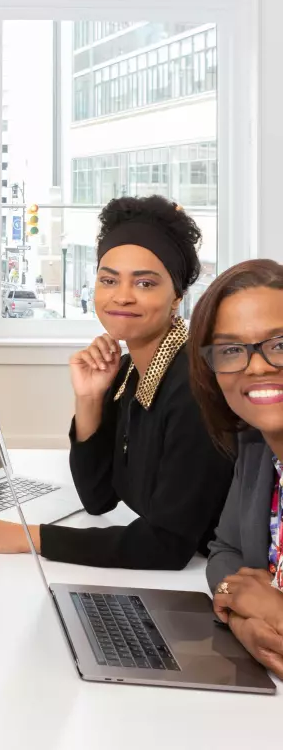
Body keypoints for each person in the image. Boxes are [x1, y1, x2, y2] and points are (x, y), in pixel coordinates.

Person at [0, 197, 232, 568]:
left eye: (145, 282)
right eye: (108, 279)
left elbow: (165, 547)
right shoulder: (128, 372)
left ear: (177, 298)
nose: (121, 295)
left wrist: (23, 536)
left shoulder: (194, 387)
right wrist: (89, 398)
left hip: (217, 580)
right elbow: (98, 497)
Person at [189, 260, 283, 677]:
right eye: (231, 350)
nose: (257, 366)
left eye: (279, 344)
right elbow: (224, 552)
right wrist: (240, 617)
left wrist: (274, 611)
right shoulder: (256, 448)